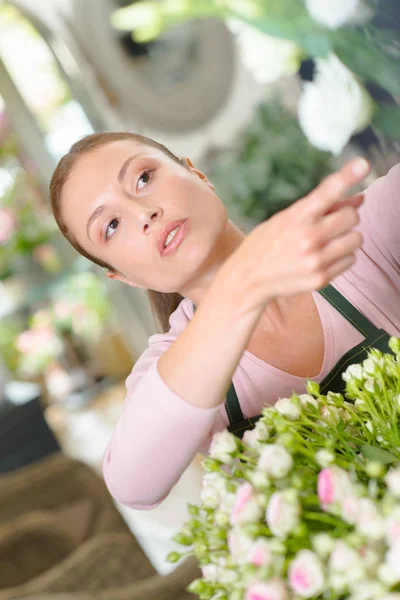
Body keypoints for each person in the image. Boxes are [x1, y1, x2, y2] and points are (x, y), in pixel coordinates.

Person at [49, 132, 400, 511]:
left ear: (197, 175)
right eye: (111, 226)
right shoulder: (168, 372)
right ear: (125, 278)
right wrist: (245, 282)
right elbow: (133, 486)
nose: (142, 213)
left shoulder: (358, 237)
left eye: (144, 178)